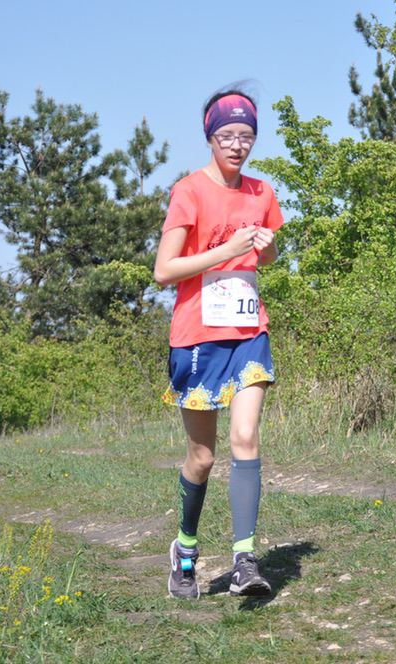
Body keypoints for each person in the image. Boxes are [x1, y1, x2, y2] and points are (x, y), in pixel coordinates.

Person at [154, 86, 284, 599]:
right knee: (203, 457)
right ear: (209, 137)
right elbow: (165, 270)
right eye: (227, 135)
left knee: (246, 437)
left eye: (246, 136)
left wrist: (266, 249)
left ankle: (244, 561)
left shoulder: (262, 193)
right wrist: (226, 249)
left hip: (249, 333)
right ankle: (185, 551)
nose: (237, 145)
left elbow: (266, 259)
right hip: (197, 340)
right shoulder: (189, 191)